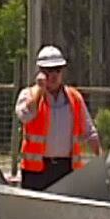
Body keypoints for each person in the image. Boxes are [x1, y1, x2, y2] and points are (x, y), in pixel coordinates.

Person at [15, 45, 102, 190]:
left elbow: (89, 132)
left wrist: (101, 161)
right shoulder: (28, 95)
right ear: (40, 72)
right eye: (49, 71)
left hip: (66, 168)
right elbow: (25, 116)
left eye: (58, 70)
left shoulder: (74, 97)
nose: (54, 75)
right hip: (36, 171)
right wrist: (39, 92)